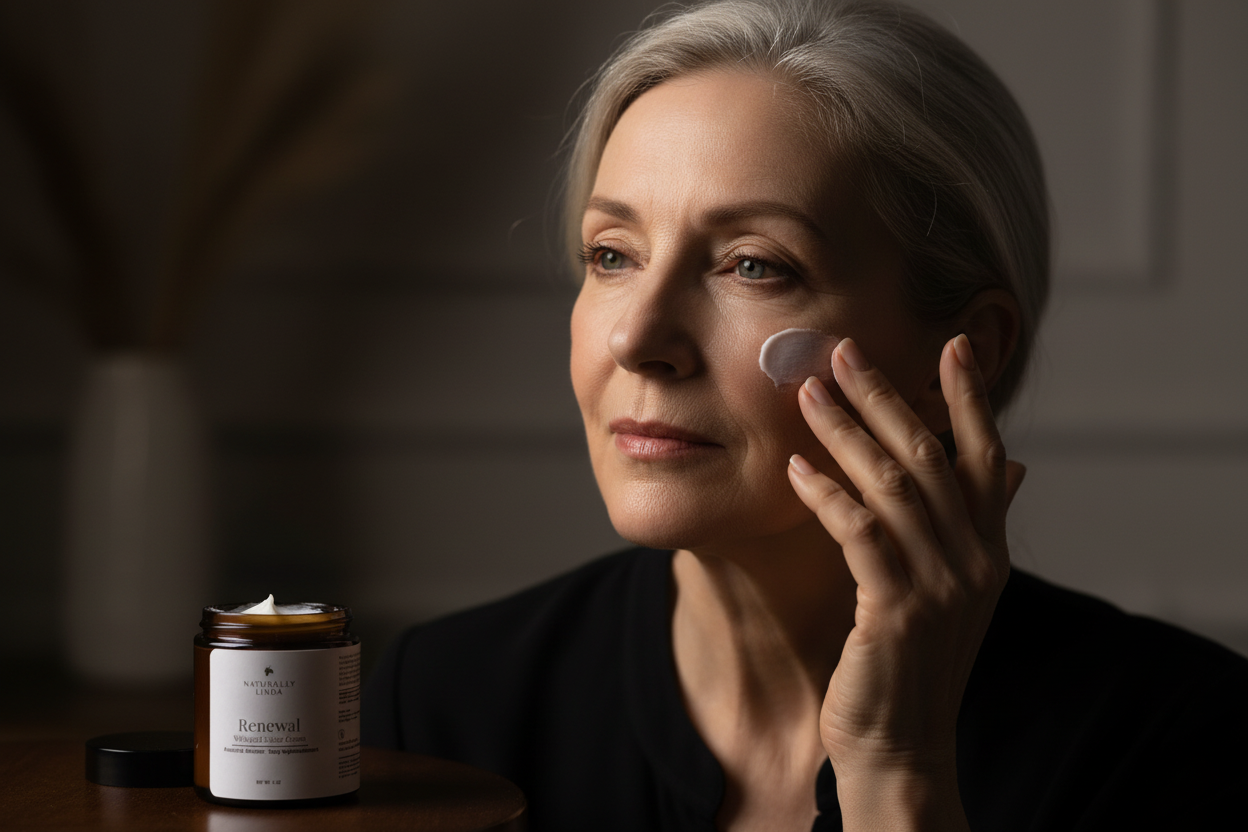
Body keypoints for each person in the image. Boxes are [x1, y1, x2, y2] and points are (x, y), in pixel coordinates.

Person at [363, 1, 1248, 829]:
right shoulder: (437, 701)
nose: (637, 336)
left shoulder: (1174, 742)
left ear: (960, 357)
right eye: (610, 253)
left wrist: (895, 770)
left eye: (754, 266)